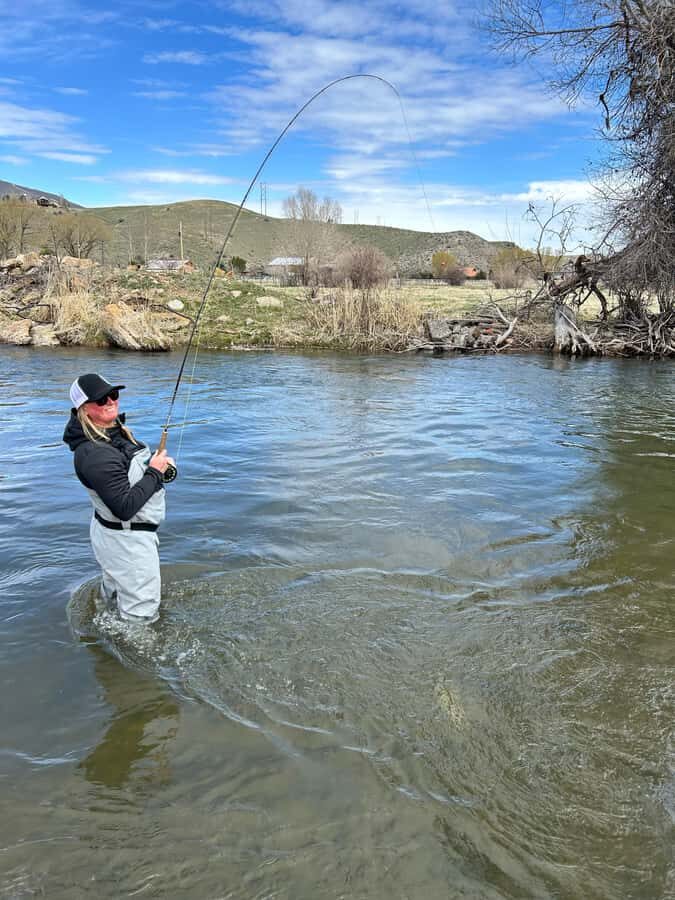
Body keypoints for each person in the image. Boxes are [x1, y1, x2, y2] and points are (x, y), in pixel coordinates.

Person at [63, 373, 174, 624]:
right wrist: (155, 472)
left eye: (113, 394)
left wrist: (156, 469)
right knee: (141, 615)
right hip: (127, 542)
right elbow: (124, 507)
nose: (111, 401)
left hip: (115, 535)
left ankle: (103, 629)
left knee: (113, 597)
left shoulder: (113, 435)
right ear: (83, 409)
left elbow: (124, 481)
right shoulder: (95, 453)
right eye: (101, 399)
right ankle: (133, 647)